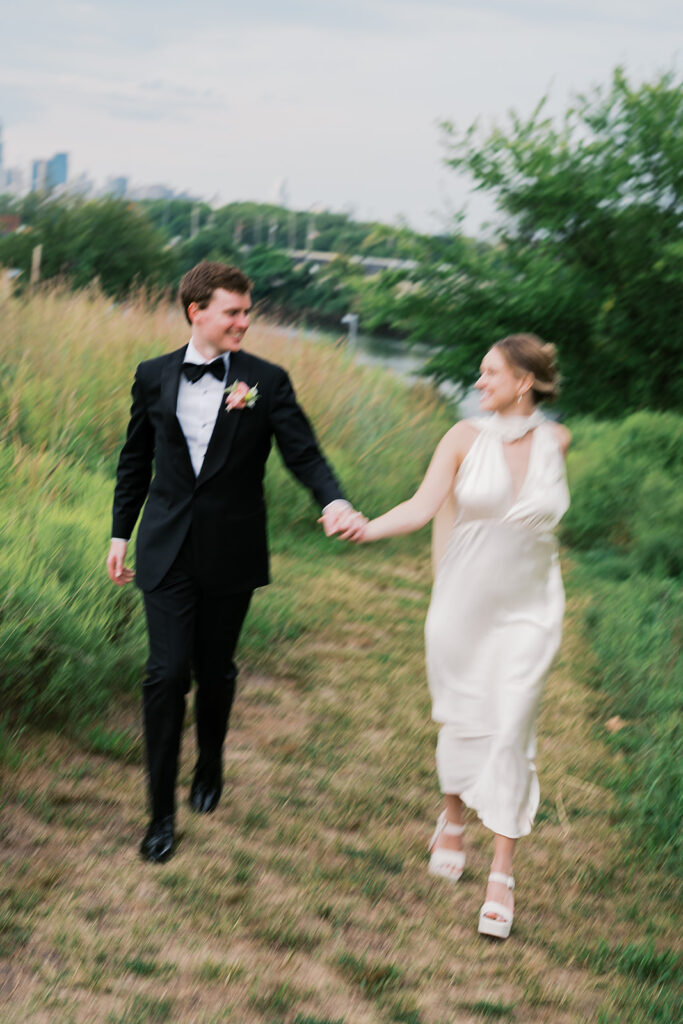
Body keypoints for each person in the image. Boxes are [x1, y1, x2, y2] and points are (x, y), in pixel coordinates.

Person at [107, 261, 363, 863]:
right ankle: (160, 816)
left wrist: (333, 500)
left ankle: (211, 761)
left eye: (248, 312)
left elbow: (305, 454)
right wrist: (120, 533)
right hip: (165, 549)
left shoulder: (265, 382)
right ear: (197, 311)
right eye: (233, 312)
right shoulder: (152, 376)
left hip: (232, 550)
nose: (245, 322)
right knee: (166, 675)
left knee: (215, 669)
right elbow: (134, 460)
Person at [351, 334, 570, 939]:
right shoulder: (461, 439)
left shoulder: (558, 441)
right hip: (462, 604)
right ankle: (451, 817)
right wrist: (365, 529)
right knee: (463, 715)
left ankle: (502, 873)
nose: (478, 383)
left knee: (513, 727)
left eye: (490, 372)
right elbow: (423, 507)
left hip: (531, 609)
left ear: (525, 380)